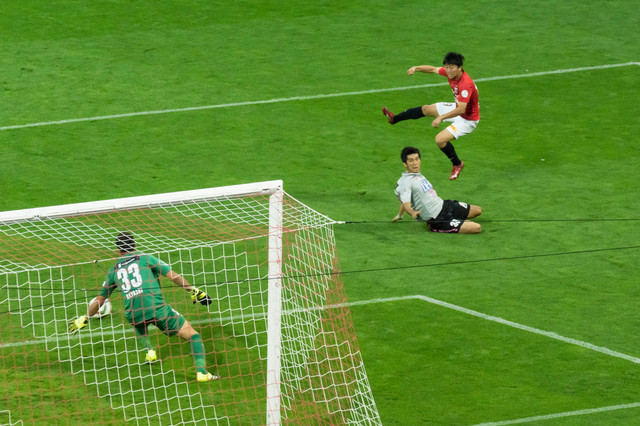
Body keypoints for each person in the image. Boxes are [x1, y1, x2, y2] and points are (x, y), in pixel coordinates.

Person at [68, 231, 219, 382]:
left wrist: (85, 318)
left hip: (134, 315)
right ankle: (201, 372)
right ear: (134, 245)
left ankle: (149, 350)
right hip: (157, 310)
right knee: (193, 335)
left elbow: (100, 299)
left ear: (118, 250)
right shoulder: (146, 258)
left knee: (137, 319)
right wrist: (195, 291)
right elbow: (172, 276)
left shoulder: (113, 270)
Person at [382, 52, 480, 180]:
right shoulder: (450, 73)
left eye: (451, 68)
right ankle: (394, 118)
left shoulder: (465, 84)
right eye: (446, 67)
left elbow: (462, 109)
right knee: (426, 109)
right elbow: (433, 69)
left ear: (460, 68)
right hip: (457, 107)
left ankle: (457, 164)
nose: (448, 70)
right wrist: (416, 68)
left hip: (467, 119)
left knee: (440, 140)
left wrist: (441, 117)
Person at [393, 146, 482, 233]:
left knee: (478, 210)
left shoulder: (416, 174)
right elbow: (406, 203)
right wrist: (412, 212)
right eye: (411, 160)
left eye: (417, 159)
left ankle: (456, 221)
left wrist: (400, 215)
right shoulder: (406, 182)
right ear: (405, 163)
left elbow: (404, 198)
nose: (415, 163)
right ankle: (455, 222)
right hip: (437, 219)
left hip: (444, 205)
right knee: (477, 227)